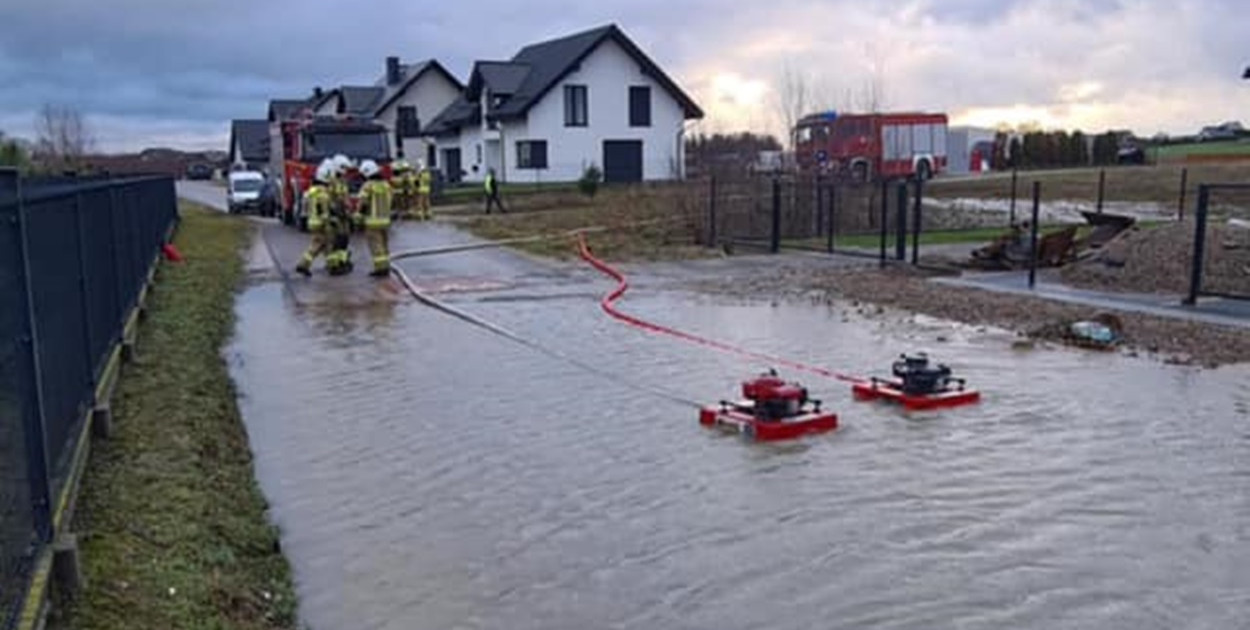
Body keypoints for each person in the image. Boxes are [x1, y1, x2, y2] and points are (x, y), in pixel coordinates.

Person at [295, 159, 351, 276]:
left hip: (312, 221)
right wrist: (332, 221)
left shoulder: (311, 191)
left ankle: (309, 264)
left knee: (320, 244)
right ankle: (326, 266)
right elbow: (324, 211)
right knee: (326, 244)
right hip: (321, 223)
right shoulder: (323, 194)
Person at [356, 159, 394, 277]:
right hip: (385, 221)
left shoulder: (368, 186)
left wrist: (359, 216)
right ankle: (386, 266)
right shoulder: (386, 185)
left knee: (376, 246)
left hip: (372, 222)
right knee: (384, 245)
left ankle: (380, 269)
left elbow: (363, 202)